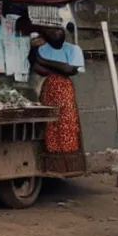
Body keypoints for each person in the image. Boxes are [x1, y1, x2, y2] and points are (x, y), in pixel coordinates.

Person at [31, 26, 84, 155]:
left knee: (67, 123)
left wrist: (43, 60)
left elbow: (70, 70)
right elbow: (38, 68)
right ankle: (55, 159)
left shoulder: (73, 49)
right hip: (49, 90)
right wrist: (59, 68)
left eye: (59, 29)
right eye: (51, 30)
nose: (56, 33)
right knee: (51, 124)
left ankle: (68, 157)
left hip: (65, 91)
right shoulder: (41, 49)